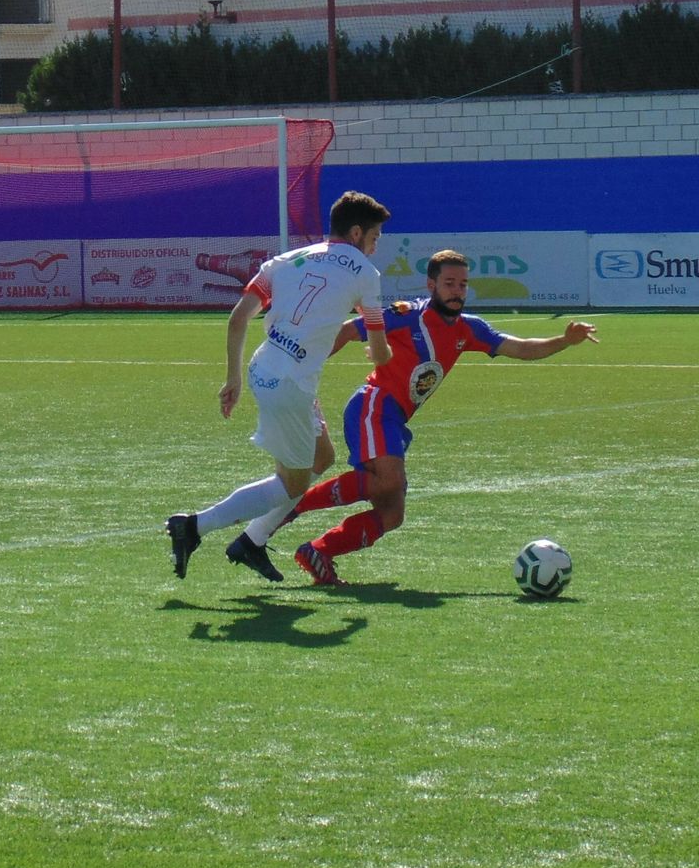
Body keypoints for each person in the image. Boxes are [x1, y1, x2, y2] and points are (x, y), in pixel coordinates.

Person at [241, 248, 600, 585]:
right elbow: (352, 330)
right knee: (388, 481)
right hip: (374, 405)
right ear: (431, 286)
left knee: (392, 514)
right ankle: (295, 504)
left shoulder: (469, 328)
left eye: (463, 284)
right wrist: (306, 368)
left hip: (396, 420)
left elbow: (520, 347)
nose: (458, 291)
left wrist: (564, 340)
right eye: (450, 284)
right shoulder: (405, 314)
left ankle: (318, 552)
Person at [167, 191, 393, 583]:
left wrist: (233, 378)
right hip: (290, 388)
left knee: (322, 456)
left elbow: (238, 319)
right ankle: (194, 527)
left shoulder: (286, 260)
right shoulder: (364, 274)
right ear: (356, 233)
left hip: (263, 368)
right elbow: (379, 348)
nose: (374, 247)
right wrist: (385, 353)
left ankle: (252, 541)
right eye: (374, 238)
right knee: (292, 484)